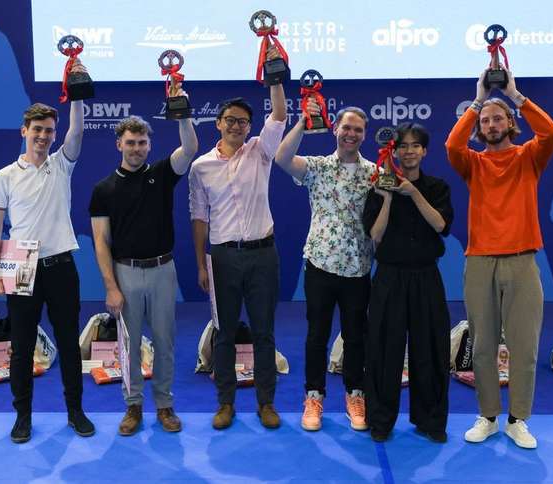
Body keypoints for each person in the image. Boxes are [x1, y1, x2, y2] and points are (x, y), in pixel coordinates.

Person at [446, 68, 553, 449]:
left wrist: (515, 94)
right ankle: (489, 416)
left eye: (498, 118)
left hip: (522, 261)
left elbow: (551, 133)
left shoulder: (530, 156)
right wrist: (478, 100)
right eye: (485, 121)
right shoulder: (473, 163)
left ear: (511, 123)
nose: (491, 124)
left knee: (525, 346)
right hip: (479, 262)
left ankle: (517, 419)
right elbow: (451, 147)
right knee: (481, 345)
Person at [0, 60, 94, 444]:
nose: (44, 136)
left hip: (62, 265)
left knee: (67, 342)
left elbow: (77, 129)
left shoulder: (62, 164)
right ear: (24, 131)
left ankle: (75, 411)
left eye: (49, 130)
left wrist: (76, 89)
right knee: (22, 347)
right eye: (38, 130)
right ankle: (23, 417)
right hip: (20, 266)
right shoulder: (5, 176)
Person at [89, 88, 198, 436]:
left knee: (165, 341)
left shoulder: (163, 174)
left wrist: (181, 112)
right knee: (129, 345)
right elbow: (101, 242)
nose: (137, 148)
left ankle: (164, 404)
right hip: (125, 274)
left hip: (164, 270)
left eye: (142, 142)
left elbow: (191, 149)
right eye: (130, 142)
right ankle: (133, 405)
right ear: (119, 144)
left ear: (149, 145)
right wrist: (111, 287)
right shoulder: (103, 189)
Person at [188, 47, 287, 430]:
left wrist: (275, 76)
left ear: (249, 126)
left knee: (264, 333)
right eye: (230, 120)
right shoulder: (201, 167)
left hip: (263, 255)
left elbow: (278, 114)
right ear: (218, 123)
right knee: (225, 334)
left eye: (243, 122)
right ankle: (225, 403)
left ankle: (266, 404)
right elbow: (199, 217)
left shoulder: (261, 152)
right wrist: (201, 263)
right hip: (223, 258)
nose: (236, 126)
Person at [274, 101, 376, 432]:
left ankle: (355, 395)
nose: (351, 134)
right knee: (317, 336)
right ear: (335, 129)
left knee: (356, 337)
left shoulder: (374, 173)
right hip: (320, 265)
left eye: (358, 130)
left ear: (364, 135)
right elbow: (281, 158)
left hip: (358, 269)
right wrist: (304, 122)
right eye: (346, 127)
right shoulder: (317, 167)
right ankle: (314, 397)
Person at [361, 122, 453, 443]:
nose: (409, 151)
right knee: (383, 350)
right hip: (389, 277)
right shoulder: (378, 187)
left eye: (415, 146)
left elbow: (440, 225)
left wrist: (412, 193)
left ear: (424, 151)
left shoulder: (438, 187)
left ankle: (430, 420)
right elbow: (375, 235)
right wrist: (386, 195)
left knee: (430, 348)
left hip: (426, 276)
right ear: (394, 151)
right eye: (403, 146)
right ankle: (381, 420)